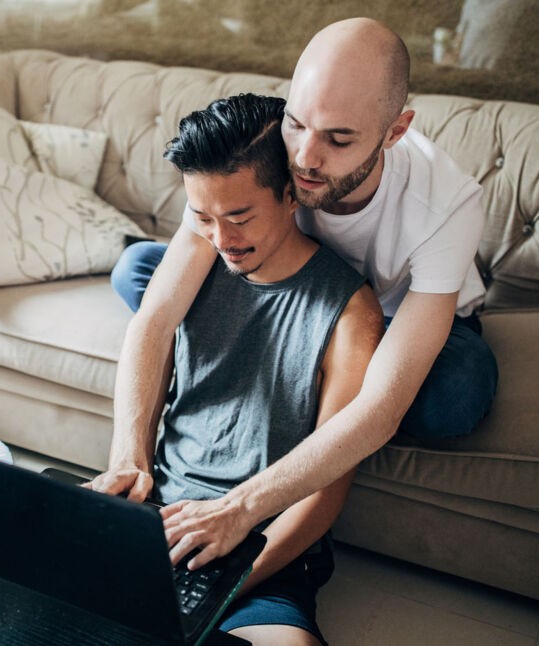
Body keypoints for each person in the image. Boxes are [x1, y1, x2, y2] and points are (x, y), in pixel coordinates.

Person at [94, 17, 498, 585]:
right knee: (139, 269)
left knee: (455, 394)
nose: (305, 158)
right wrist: (128, 457)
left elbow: (380, 408)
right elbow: (157, 317)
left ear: (394, 131)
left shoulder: (447, 204)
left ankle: (319, 360)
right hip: (288, 288)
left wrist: (241, 508)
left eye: (338, 139)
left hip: (395, 314)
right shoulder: (270, 145)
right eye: (298, 123)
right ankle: (291, 347)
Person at [91, 92, 383, 644]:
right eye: (203, 218)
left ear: (292, 193)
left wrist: (229, 578)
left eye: (240, 217)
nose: (223, 239)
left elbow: (326, 488)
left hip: (262, 550)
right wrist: (129, 462)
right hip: (158, 520)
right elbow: (150, 327)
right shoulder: (205, 248)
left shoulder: (351, 311)